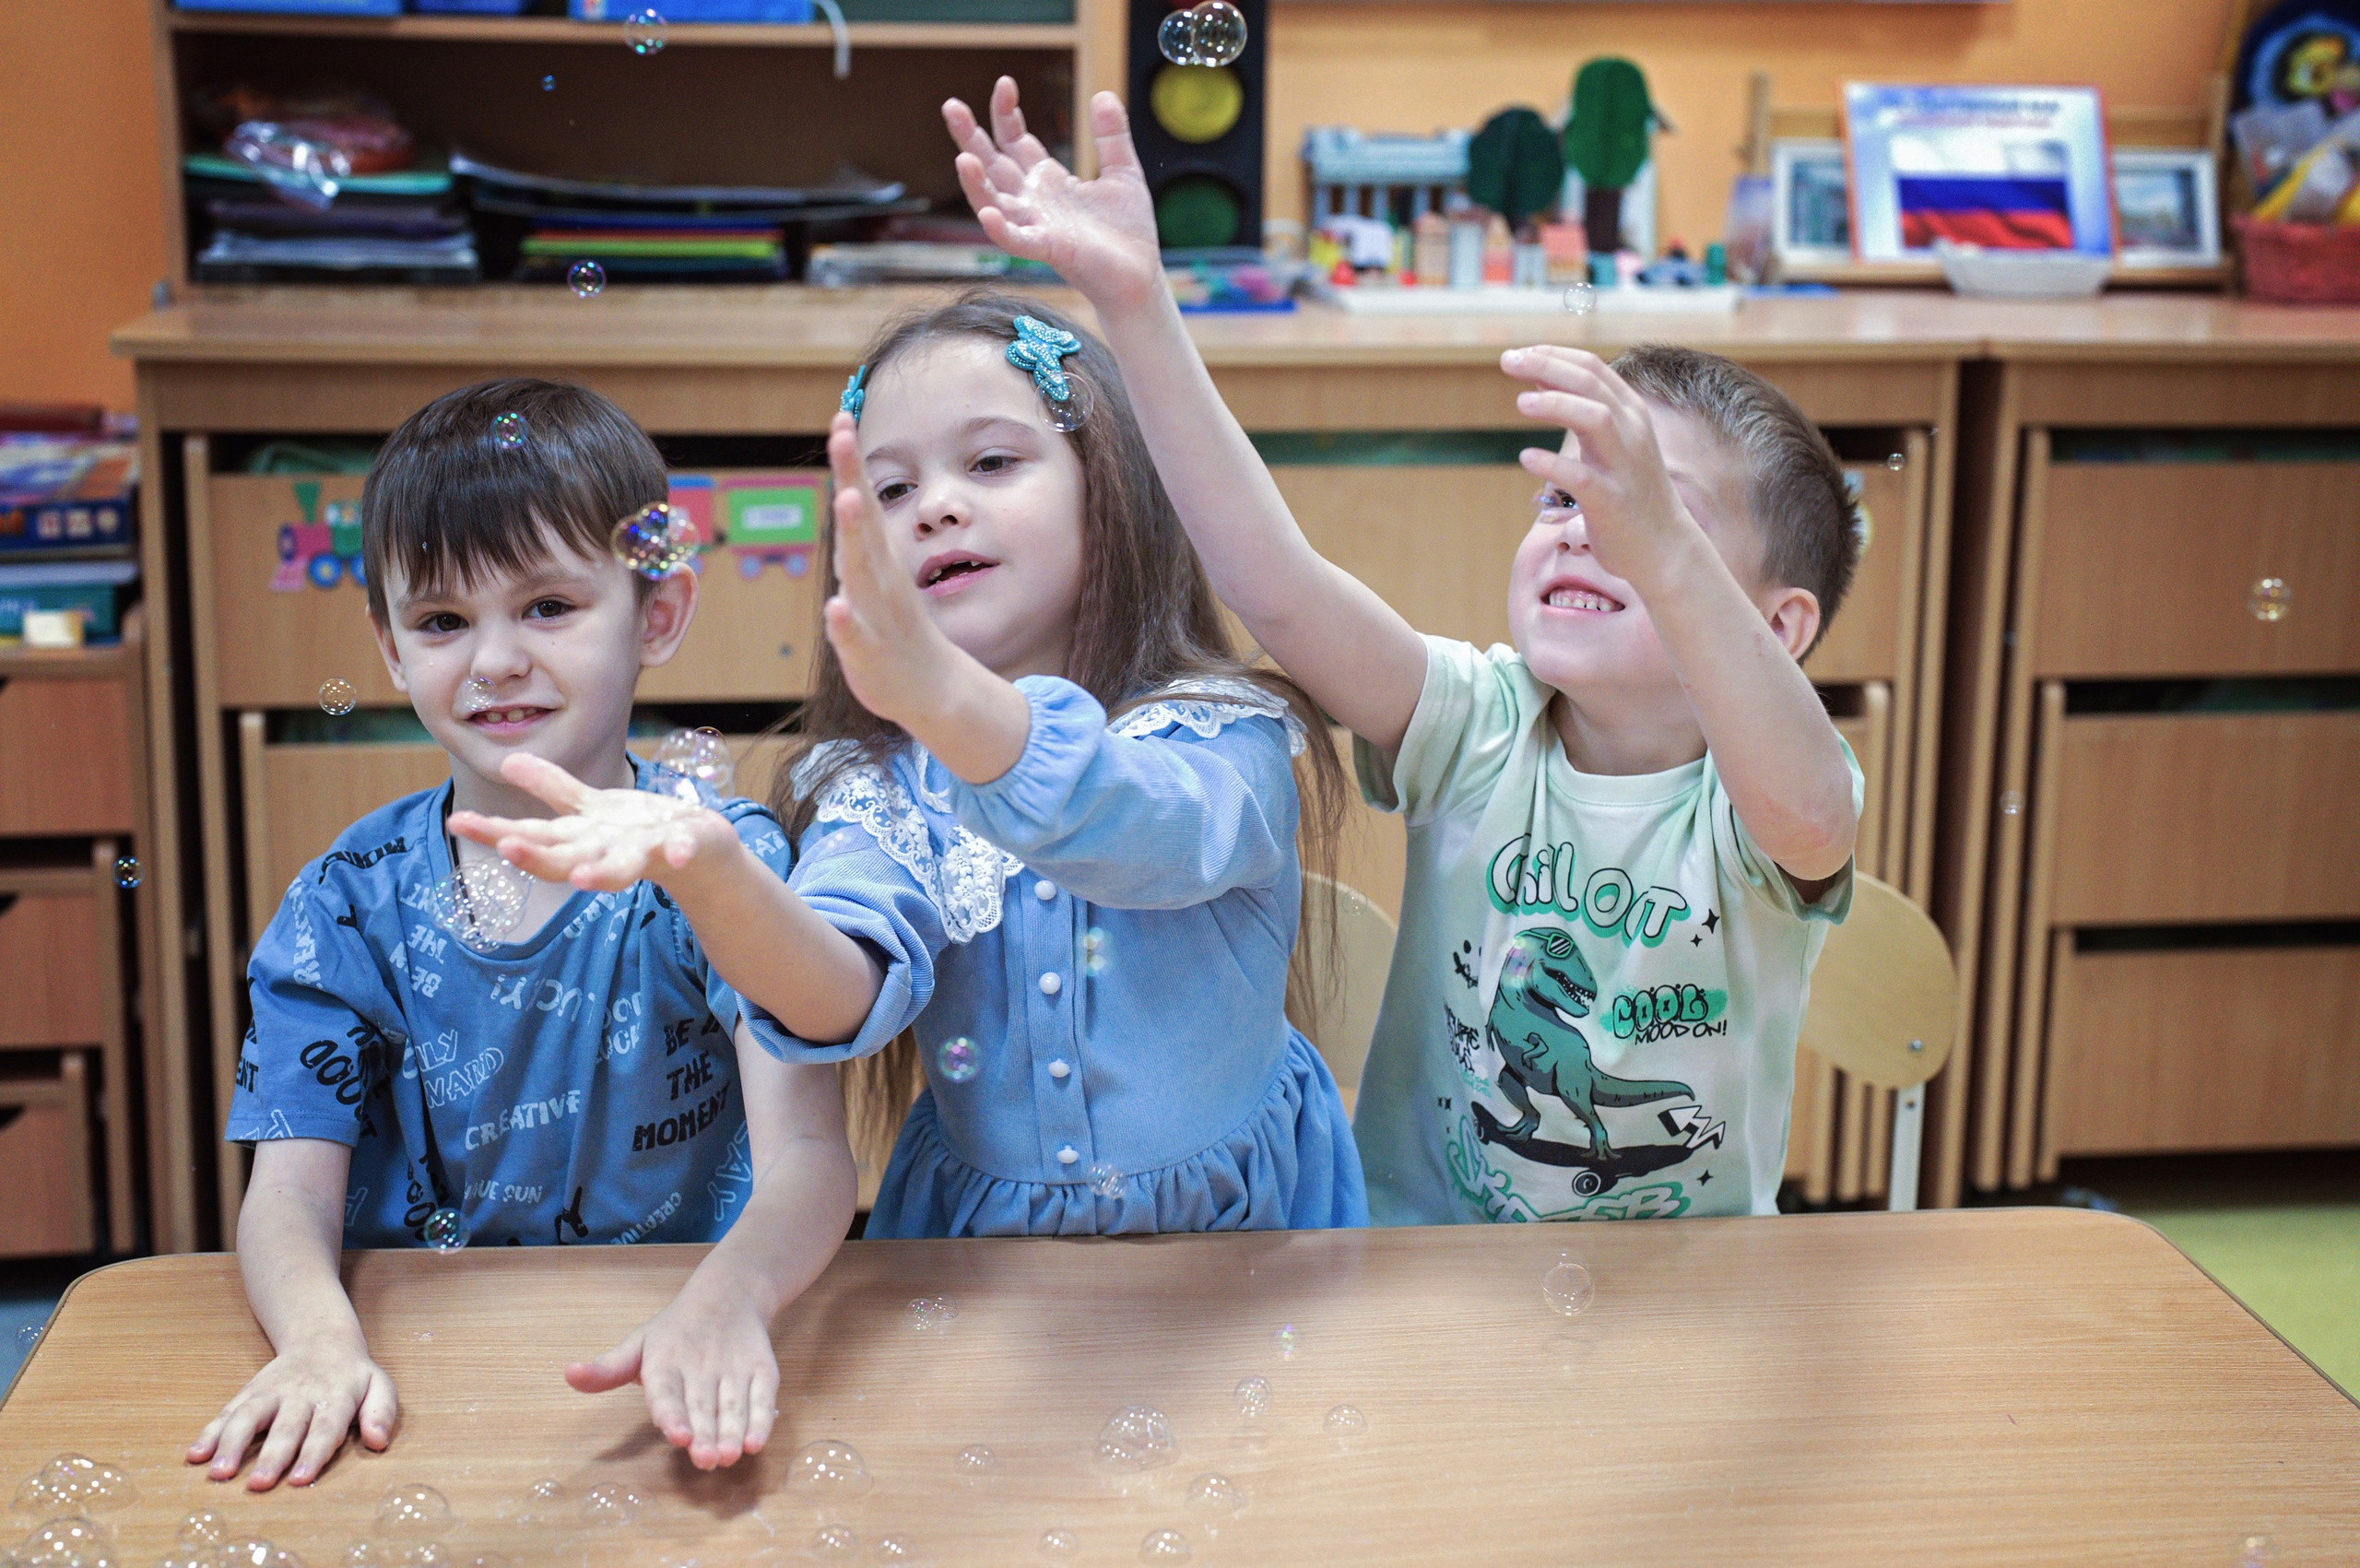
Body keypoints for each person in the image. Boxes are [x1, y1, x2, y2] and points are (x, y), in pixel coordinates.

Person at [943, 82, 1864, 1226]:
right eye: (1564, 497)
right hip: (1416, 1271)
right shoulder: (1479, 728)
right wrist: (1138, 307)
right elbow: (1274, 587)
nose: (1585, 526)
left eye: (1645, 510)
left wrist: (1663, 553)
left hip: (1692, 1294)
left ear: (1776, 630)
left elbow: (1811, 813)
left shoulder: (1756, 801)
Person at [468, 291, 1365, 1239]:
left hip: (1250, 1233)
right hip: (975, 1250)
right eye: (891, 490)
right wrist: (715, 873)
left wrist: (951, 704)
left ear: (1109, 485)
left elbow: (1146, 828)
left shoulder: (1221, 734)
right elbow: (834, 997)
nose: (935, 508)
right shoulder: (879, 788)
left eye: (991, 462)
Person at [193, 379, 855, 1491]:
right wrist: (317, 1343)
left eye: (547, 606)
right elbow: (289, 1194)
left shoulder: (720, 867)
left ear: (656, 615)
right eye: (442, 622)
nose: (493, 660)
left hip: (679, 1349)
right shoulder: (342, 902)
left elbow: (809, 1157)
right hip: (421, 1377)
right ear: (390, 650)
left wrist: (734, 1298)